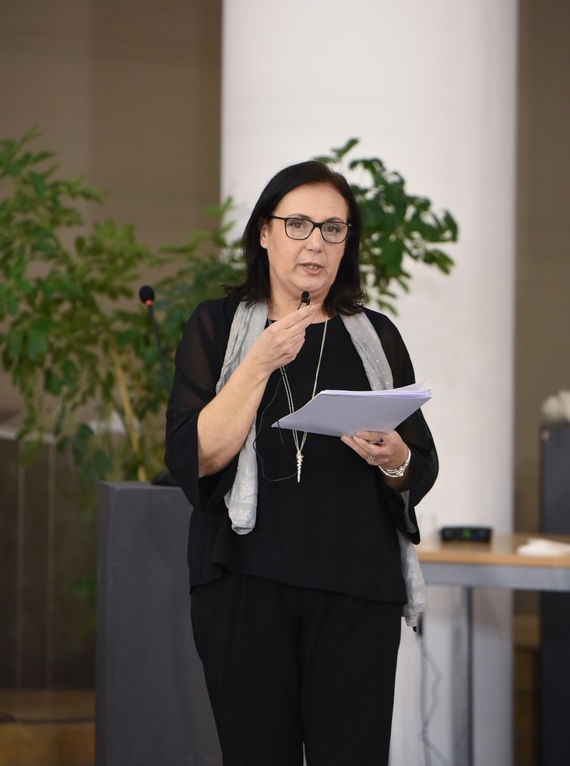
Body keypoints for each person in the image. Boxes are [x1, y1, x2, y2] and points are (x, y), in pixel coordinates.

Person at [165, 160, 438, 765]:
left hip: (357, 586)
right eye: (298, 225)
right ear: (265, 233)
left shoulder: (377, 336)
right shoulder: (216, 326)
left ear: (346, 243)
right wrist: (260, 361)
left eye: (333, 229)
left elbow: (416, 466)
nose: (316, 242)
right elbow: (197, 458)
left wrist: (394, 458)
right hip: (244, 582)